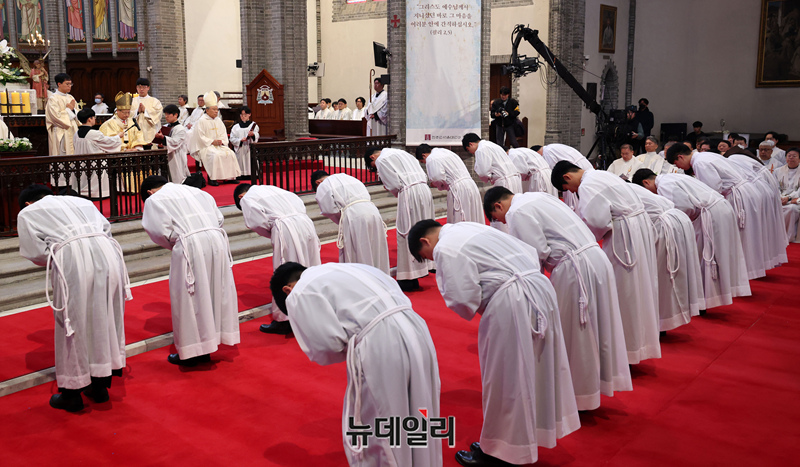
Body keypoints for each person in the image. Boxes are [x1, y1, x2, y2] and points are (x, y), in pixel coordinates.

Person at [408, 220, 579, 466]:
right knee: (534, 367)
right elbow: (529, 251)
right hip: (539, 287)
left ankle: (500, 452)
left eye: (427, 256)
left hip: (513, 299)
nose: (432, 259)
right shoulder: (467, 227)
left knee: (505, 377)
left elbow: (462, 298)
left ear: (425, 241)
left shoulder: (445, 246)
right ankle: (525, 437)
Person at [271, 262, 442, 467]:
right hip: (416, 329)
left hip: (381, 344)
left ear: (287, 290)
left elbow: (327, 346)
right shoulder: (351, 268)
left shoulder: (301, 290)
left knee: (382, 423)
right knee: (421, 408)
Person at [483, 187, 632, 411]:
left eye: (498, 219)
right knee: (598, 325)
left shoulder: (516, 211)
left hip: (574, 267)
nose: (504, 222)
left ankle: (580, 396)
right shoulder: (537, 196)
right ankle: (595, 385)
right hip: (595, 258)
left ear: (498, 206)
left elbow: (535, 253)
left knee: (576, 333)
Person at [17, 185, 130, 412]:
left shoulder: (29, 212)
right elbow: (106, 229)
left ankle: (72, 392)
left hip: (73, 257)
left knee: (72, 321)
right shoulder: (82, 202)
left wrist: (59, 254)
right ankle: (99, 385)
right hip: (108, 254)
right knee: (104, 315)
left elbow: (36, 252)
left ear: (28, 203)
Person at [551, 161, 660, 364]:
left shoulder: (587, 184)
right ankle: (641, 342)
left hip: (624, 235)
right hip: (638, 226)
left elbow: (596, 221)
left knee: (626, 292)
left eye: (568, 189)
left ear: (567, 177)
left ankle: (628, 350)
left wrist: (585, 240)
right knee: (641, 286)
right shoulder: (601, 174)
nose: (572, 192)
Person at [140, 176, 240, 366]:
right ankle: (215, 339)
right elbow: (219, 218)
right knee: (215, 290)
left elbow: (158, 231)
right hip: (216, 241)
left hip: (190, 244)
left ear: (149, 193)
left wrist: (178, 242)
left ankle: (194, 351)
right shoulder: (197, 192)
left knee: (190, 296)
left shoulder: (155, 199)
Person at [632, 169, 751, 309]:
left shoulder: (664, 185)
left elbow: (684, 207)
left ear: (646, 182)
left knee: (707, 256)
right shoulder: (670, 177)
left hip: (710, 214)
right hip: (718, 208)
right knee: (717, 254)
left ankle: (707, 298)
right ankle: (711, 295)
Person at [667, 143, 786, 279]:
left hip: (739, 195)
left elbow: (712, 189)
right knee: (750, 232)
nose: (679, 168)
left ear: (680, 157)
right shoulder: (705, 155)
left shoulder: (700, 163)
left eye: (676, 164)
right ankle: (751, 269)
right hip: (747, 190)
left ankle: (747, 271)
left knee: (743, 234)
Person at [235, 184, 321, 335]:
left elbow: (257, 223)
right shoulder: (273, 189)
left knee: (286, 271)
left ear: (241, 197)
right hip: (305, 222)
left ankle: (285, 320)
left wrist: (274, 231)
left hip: (286, 227)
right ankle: (313, 310)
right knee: (309, 266)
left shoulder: (248, 198)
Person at [627, 182, 705, 331]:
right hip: (679, 221)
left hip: (665, 225)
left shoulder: (622, 191)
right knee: (678, 271)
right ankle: (679, 312)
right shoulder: (632, 188)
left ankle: (662, 322)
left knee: (663, 274)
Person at [366, 147, 434, 291]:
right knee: (424, 229)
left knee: (407, 231)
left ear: (372, 157)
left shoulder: (382, 160)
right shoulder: (403, 153)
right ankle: (426, 266)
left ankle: (408, 277)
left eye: (374, 168)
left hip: (410, 192)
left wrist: (390, 188)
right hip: (424, 189)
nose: (376, 170)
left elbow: (394, 184)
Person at [311, 170, 390, 275]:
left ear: (318, 183)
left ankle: (363, 278)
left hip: (354, 215)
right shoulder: (348, 177)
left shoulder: (324, 184)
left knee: (359, 250)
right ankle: (380, 277)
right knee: (376, 247)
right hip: (372, 210)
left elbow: (329, 210)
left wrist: (342, 220)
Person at [414, 144, 483, 224]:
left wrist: (435, 184)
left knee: (461, 219)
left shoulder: (431, 158)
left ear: (423, 155)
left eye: (422, 161)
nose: (425, 163)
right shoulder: (446, 152)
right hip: (471, 184)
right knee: (473, 215)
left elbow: (437, 178)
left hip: (458, 189)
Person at [188, 91, 241, 186]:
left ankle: (230, 177)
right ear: (207, 110)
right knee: (215, 155)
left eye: (217, 109)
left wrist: (221, 141)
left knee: (230, 153)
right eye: (214, 109)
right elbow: (200, 137)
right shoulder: (202, 121)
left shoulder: (218, 120)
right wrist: (212, 141)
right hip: (206, 146)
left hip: (219, 145)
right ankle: (212, 178)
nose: (216, 111)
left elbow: (223, 134)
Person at [73, 108, 122, 197]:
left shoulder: (76, 134)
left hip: (80, 163)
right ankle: (96, 194)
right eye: (94, 117)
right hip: (95, 163)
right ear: (89, 119)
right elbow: (108, 142)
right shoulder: (94, 133)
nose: (95, 119)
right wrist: (118, 137)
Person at [541, 143, 594, 211]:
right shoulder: (552, 147)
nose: (572, 191)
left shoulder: (547, 152)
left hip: (572, 174)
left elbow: (555, 174)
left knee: (576, 204)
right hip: (578, 169)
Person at [154, 104, 190, 184]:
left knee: (177, 179)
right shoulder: (165, 126)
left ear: (175, 115)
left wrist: (163, 138)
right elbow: (162, 142)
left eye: (168, 114)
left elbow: (175, 142)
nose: (166, 116)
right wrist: (159, 144)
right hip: (166, 156)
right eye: (165, 114)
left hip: (177, 156)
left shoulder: (181, 129)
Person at [45, 73, 79, 156]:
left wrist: (73, 110)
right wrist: (69, 110)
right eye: (67, 84)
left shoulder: (70, 97)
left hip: (73, 129)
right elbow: (56, 117)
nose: (70, 86)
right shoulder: (53, 99)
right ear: (59, 84)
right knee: (62, 154)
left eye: (70, 84)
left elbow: (78, 113)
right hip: (61, 130)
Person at [775, 148, 800, 243]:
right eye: (789, 156)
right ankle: (777, 235)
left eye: (794, 156)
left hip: (795, 200)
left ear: (799, 159)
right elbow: (775, 187)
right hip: (780, 199)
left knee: (792, 209)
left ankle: (789, 236)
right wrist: (780, 197)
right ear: (785, 158)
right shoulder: (778, 171)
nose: (791, 158)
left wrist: (789, 198)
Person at [229, 106, 260, 179]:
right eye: (241, 115)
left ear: (249, 114)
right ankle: (241, 174)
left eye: (245, 115)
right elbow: (232, 138)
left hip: (249, 148)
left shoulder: (253, 125)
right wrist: (240, 140)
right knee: (240, 160)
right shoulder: (236, 127)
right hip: (241, 148)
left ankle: (252, 174)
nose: (243, 117)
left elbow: (257, 135)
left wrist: (253, 134)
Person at [131, 77, 163, 145]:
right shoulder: (132, 101)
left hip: (150, 131)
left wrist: (145, 111)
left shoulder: (155, 101)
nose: (141, 89)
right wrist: (137, 111)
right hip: (135, 131)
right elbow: (127, 115)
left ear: (148, 88)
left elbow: (158, 115)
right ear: (136, 88)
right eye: (139, 87)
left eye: (144, 87)